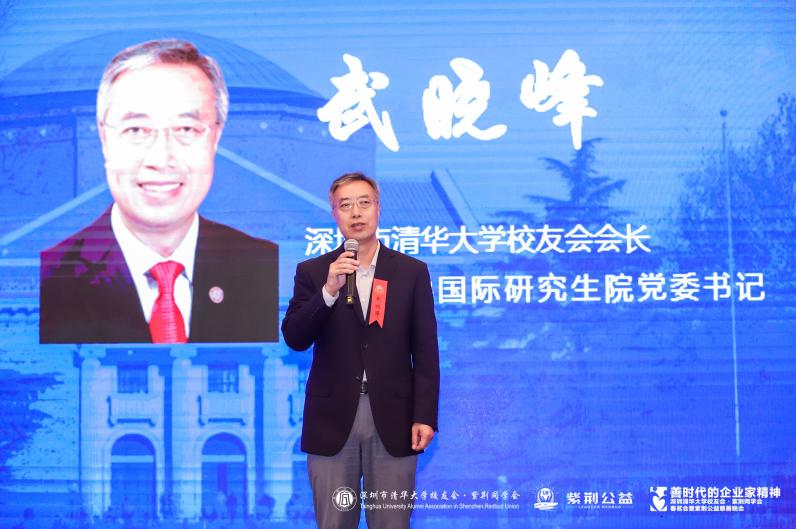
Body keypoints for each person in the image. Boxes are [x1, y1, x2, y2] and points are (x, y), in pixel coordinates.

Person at [39, 39, 278, 344]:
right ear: (104, 138)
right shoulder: (50, 277)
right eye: (136, 130)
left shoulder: (267, 268)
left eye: (186, 129)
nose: (161, 159)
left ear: (216, 137)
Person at [282, 172, 440, 529]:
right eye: (345, 205)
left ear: (378, 209)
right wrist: (328, 291)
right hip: (332, 418)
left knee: (392, 522)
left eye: (364, 203)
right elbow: (294, 337)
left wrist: (425, 415)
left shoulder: (411, 272)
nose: (356, 212)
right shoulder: (314, 272)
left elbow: (426, 351)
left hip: (395, 417)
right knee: (334, 522)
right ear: (334, 214)